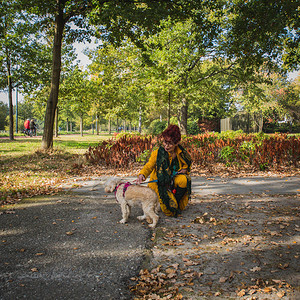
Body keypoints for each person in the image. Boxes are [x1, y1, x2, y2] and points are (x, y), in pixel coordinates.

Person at [137, 124, 192, 217]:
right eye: (165, 142)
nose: (166, 146)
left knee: (185, 180)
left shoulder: (181, 153)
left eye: (170, 143)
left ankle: (177, 202)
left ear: (177, 143)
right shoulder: (158, 153)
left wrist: (185, 169)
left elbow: (187, 164)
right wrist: (142, 175)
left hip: (173, 180)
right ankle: (171, 203)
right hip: (160, 184)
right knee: (170, 211)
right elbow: (149, 166)